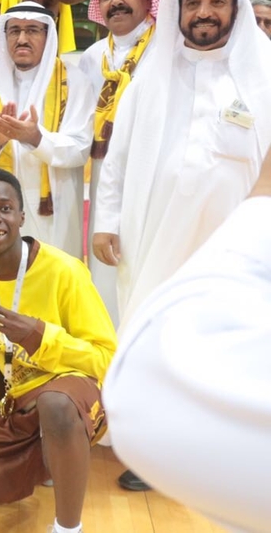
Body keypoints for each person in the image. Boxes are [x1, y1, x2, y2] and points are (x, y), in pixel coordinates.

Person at [0, 168, 116, 532]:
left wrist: (38, 336)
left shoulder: (65, 271)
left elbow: (106, 358)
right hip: (20, 394)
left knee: (56, 404)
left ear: (21, 216)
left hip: (73, 392)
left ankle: (68, 526)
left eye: (4, 208)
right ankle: (46, 455)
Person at [93, 0, 271, 327]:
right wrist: (106, 221)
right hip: (156, 229)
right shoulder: (150, 79)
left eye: (217, 1)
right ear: (178, 10)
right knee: (151, 318)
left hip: (236, 235)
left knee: (232, 327)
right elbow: (118, 158)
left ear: (235, 9)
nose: (204, 12)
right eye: (193, 3)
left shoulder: (263, 75)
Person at [103, 154, 271, 533]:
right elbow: (120, 157)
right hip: (165, 224)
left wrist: (262, 199)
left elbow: (140, 396)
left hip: (232, 223)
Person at [0, 2, 94, 259]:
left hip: (56, 202)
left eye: (32, 30)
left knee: (54, 270)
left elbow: (80, 148)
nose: (22, 39)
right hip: (2, 206)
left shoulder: (74, 81)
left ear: (48, 36)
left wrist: (34, 138)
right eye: (14, 31)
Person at [78, 0, 160, 324]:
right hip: (103, 174)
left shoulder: (167, 50)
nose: (116, 2)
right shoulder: (93, 56)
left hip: (152, 173)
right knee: (106, 268)